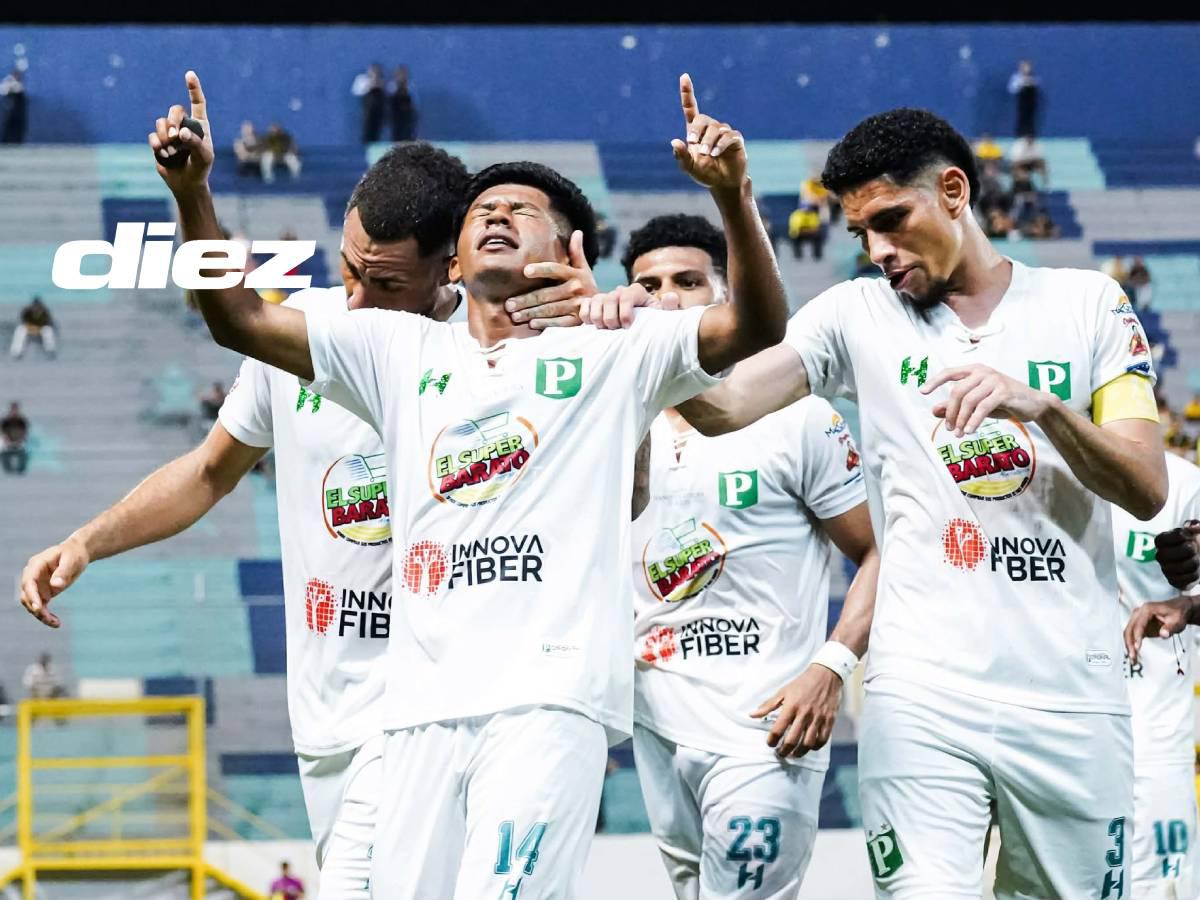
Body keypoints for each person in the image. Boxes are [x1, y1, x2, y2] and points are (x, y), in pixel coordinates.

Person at [146, 69, 786, 898]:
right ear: (452, 256)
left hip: (549, 702)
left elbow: (757, 326)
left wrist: (734, 197)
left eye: (524, 212)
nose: (499, 215)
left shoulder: (618, 348)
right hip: (416, 711)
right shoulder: (395, 351)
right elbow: (237, 318)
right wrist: (193, 196)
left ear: (570, 254)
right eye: (485, 209)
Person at [590, 106, 1168, 897]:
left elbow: (1145, 486)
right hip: (922, 695)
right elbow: (722, 406)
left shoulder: (1089, 306)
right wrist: (656, 328)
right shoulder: (854, 314)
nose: (879, 251)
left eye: (892, 221)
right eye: (861, 232)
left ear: (955, 191)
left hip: (1073, 695)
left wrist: (1046, 410)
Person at [19, 137, 606, 900]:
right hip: (324, 716)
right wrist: (86, 542)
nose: (354, 299)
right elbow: (207, 472)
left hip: (431, 711)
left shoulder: (511, 353)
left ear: (450, 267)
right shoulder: (311, 329)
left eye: (384, 282)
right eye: (348, 269)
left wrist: (600, 324)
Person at [622, 212, 881, 898]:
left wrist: (830, 669)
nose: (666, 298)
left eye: (686, 280)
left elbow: (879, 555)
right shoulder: (611, 418)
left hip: (768, 724)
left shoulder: (798, 417)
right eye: (647, 284)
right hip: (654, 721)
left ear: (726, 293)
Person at [1115, 452, 1200, 899]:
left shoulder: (1183, 485)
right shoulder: (1042, 473)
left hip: (1153, 746)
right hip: (1057, 735)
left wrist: (1186, 605)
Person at [351, 64, 386, 144]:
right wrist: (370, 85)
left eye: (377, 72)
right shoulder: (362, 81)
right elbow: (356, 92)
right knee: (366, 132)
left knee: (377, 131)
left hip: (378, 115)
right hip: (367, 115)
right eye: (373, 71)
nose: (375, 74)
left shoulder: (383, 84)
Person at [1008, 59, 1040, 137]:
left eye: (1027, 67)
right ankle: (1020, 135)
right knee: (1021, 119)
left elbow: (1037, 84)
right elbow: (1011, 89)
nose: (1026, 69)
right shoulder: (1016, 77)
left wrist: (1030, 82)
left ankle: (1030, 136)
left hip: (1031, 103)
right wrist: (1021, 83)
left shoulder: (1033, 77)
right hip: (1022, 103)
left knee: (1030, 120)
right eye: (1024, 67)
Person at [388, 65, 416, 142]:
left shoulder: (410, 86)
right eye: (399, 74)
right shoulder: (391, 86)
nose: (402, 76)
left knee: (408, 133)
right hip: (395, 115)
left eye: (403, 74)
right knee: (396, 134)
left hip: (407, 115)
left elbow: (414, 102)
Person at [1, 402, 29, 475]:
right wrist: (6, 440)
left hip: (19, 443)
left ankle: (20, 472)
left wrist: (20, 440)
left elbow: (25, 432)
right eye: (13, 410)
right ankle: (8, 472)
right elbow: (2, 432)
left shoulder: (22, 421)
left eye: (15, 410)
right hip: (7, 444)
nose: (14, 412)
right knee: (4, 457)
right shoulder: (5, 421)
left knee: (23, 457)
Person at [0, 69, 26, 144]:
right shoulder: (8, 84)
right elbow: (3, 90)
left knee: (16, 133)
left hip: (18, 117)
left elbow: (18, 88)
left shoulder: (19, 86)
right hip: (9, 117)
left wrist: (11, 84)